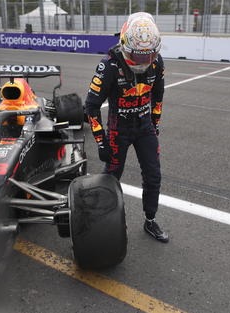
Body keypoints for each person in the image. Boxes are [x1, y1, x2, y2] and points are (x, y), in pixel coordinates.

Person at [84, 12, 168, 243]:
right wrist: (101, 142)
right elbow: (90, 107)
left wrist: (155, 125)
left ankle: (150, 220)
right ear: (124, 43)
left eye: (148, 55)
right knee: (111, 177)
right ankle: (102, 222)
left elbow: (158, 97)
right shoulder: (109, 65)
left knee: (153, 176)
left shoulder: (157, 62)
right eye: (137, 55)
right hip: (118, 129)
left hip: (144, 127)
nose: (143, 61)